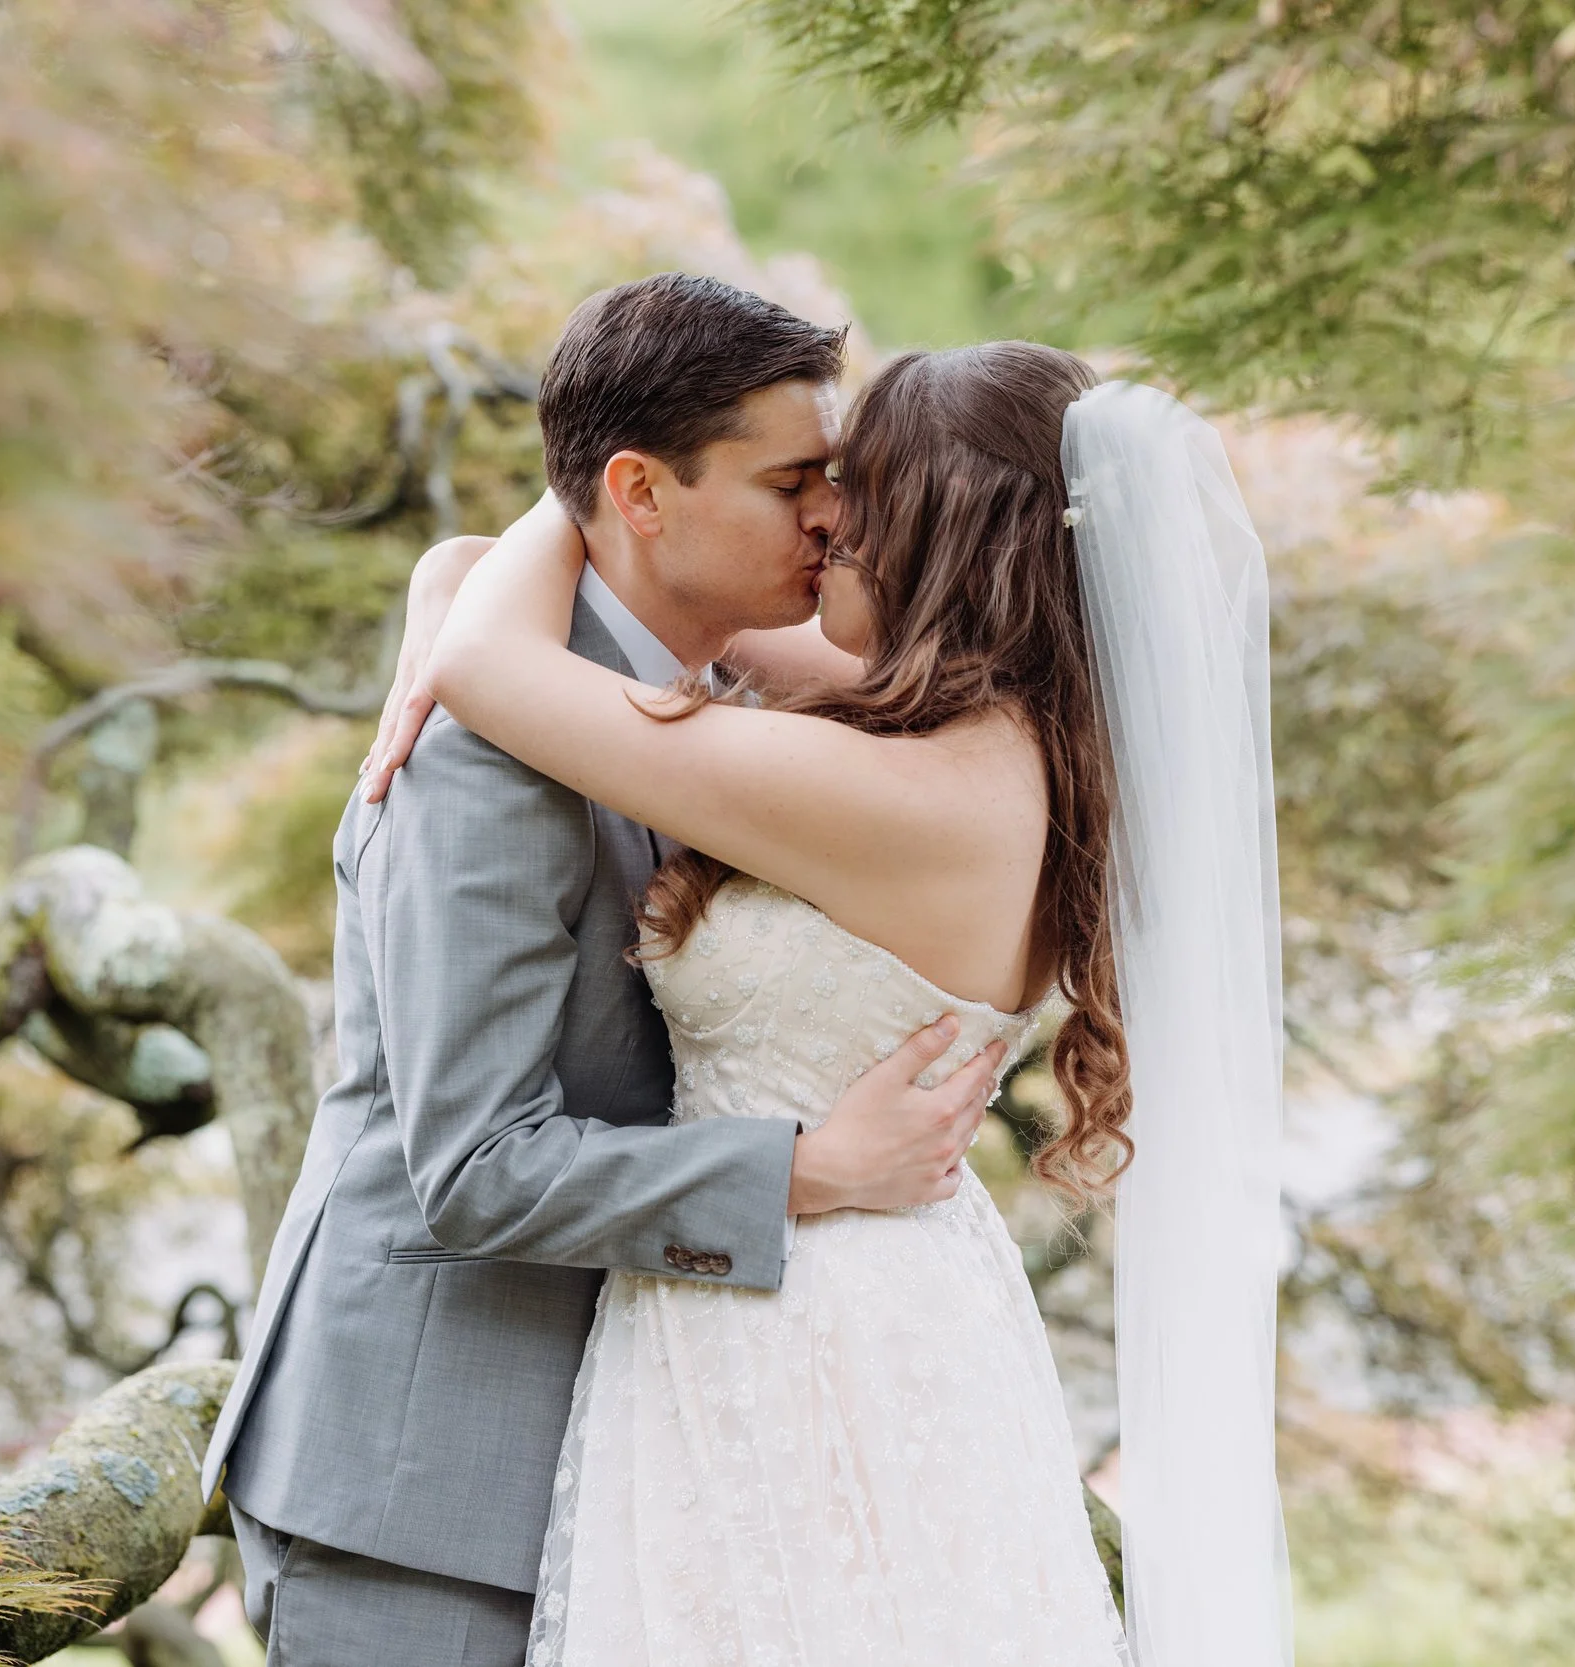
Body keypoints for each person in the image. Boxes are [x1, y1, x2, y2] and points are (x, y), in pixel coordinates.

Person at [397, 337, 1293, 1664]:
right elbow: (543, 602)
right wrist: (470, 560)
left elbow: (492, 668)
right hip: (841, 1290)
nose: (825, 526)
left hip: (813, 1329)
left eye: (857, 493)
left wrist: (591, 472)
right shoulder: (991, 737)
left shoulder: (909, 796)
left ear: (942, 537)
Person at [198, 274, 1012, 1667]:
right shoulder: (484, 755)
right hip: (425, 1489)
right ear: (640, 493)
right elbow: (473, 1165)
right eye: (794, 480)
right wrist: (806, 1167)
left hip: (628, 1471)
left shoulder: (711, 699)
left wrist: (460, 565)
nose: (835, 514)